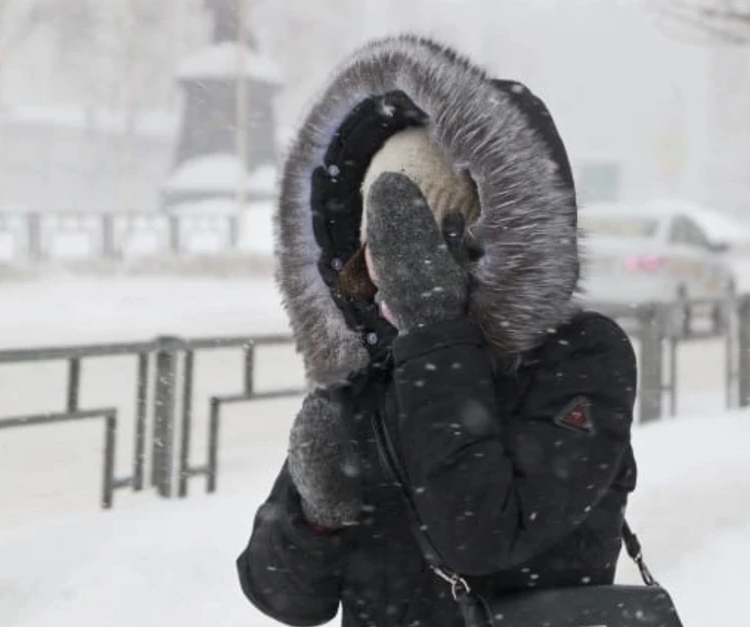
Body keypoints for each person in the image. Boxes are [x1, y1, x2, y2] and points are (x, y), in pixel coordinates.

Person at [236, 35, 638, 627]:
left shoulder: (579, 356)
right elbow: (287, 600)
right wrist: (315, 516)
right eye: (377, 240)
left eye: (417, 235)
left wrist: (433, 328)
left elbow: (480, 536)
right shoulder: (367, 366)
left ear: (477, 236)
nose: (389, 262)